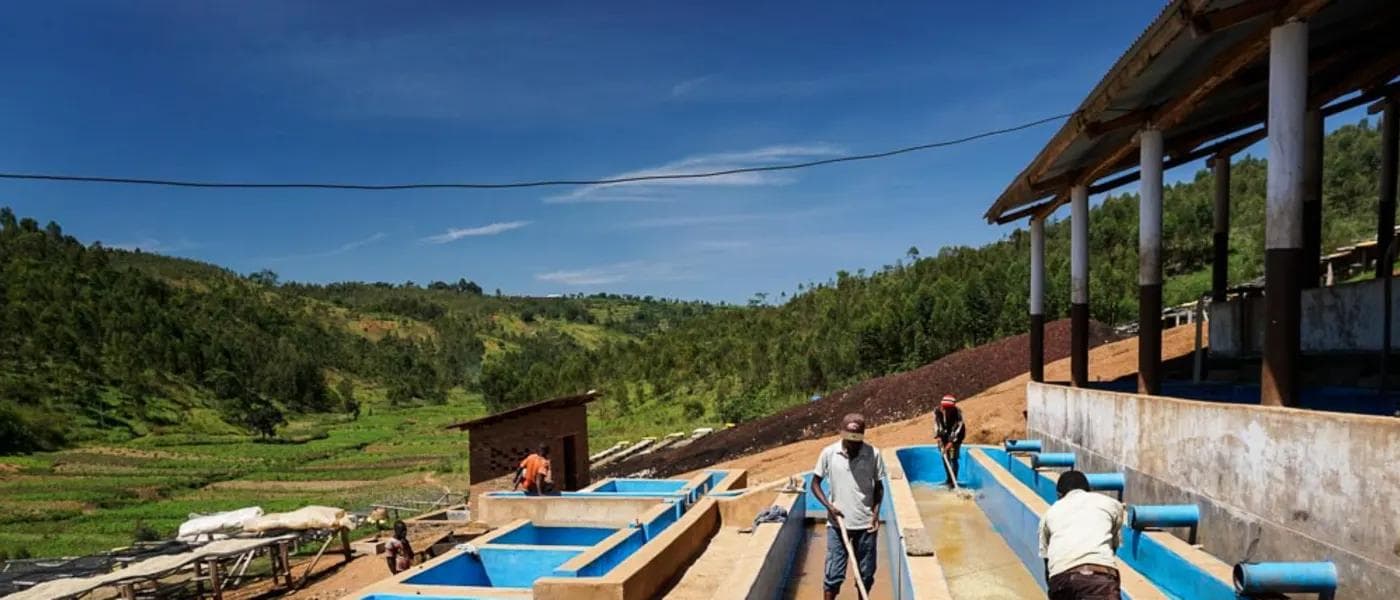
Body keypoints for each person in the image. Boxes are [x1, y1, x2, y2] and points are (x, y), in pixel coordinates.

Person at [811, 413, 887, 600]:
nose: (853, 444)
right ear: (841, 434)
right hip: (838, 525)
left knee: (865, 576)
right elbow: (815, 484)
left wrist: (875, 514)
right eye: (849, 440)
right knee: (833, 575)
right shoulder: (829, 453)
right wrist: (829, 506)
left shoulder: (873, 454)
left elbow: (879, 486)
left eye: (857, 440)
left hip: (866, 525)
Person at [1038, 470, 1125, 599]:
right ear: (1088, 489)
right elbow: (1112, 548)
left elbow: (1048, 566)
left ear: (1059, 495)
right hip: (1100, 581)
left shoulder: (1049, 515)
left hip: (1062, 581)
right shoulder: (1111, 504)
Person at [933, 394, 965, 488]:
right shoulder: (937, 411)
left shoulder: (957, 414)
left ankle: (953, 481)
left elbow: (957, 429)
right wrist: (938, 436)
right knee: (944, 457)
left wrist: (950, 443)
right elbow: (936, 423)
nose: (945, 410)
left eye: (948, 409)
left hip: (955, 437)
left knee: (952, 458)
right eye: (944, 408)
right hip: (944, 435)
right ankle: (948, 479)